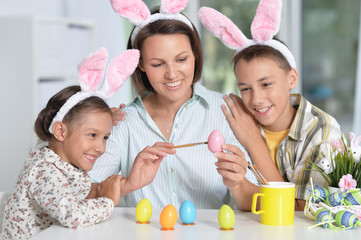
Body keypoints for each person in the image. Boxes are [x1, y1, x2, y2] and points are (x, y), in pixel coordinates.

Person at [89, 0, 259, 210]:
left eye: (181, 59)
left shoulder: (226, 111)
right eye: (157, 64)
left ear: (195, 55)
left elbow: (257, 203)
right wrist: (127, 184)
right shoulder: (124, 121)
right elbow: (86, 191)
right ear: (140, 64)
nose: (171, 74)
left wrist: (238, 183)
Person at [1, 49, 174, 239]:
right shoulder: (44, 170)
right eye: (92, 134)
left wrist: (110, 188)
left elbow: (80, 193)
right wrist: (108, 200)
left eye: (105, 137)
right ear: (60, 131)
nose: (100, 147)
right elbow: (71, 215)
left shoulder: (65, 166)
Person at [199, 0, 344, 211]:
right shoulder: (237, 120)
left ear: (292, 78)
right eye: (245, 88)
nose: (256, 99)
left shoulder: (321, 131)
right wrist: (239, 184)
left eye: (266, 84)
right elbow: (243, 202)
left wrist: (254, 142)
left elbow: (299, 211)